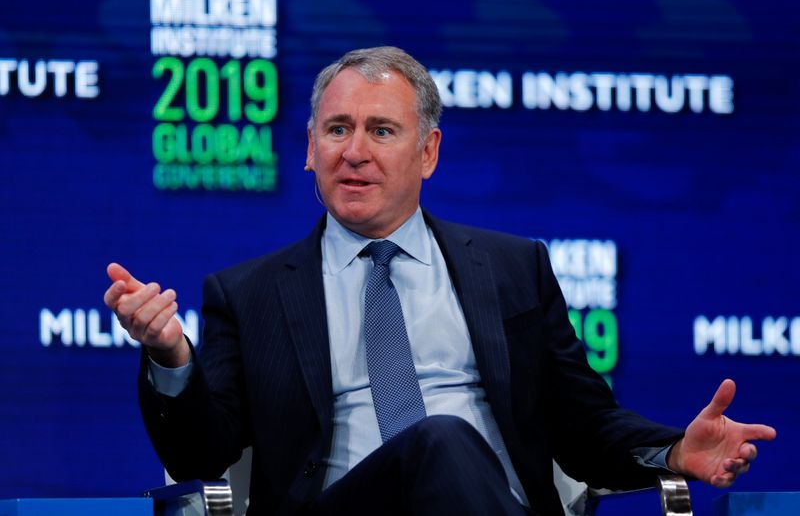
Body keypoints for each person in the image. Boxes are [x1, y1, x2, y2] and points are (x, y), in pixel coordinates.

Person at [104, 47, 776, 515]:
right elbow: (202, 450)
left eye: (382, 129)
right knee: (440, 438)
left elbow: (584, 427)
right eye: (337, 129)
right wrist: (170, 355)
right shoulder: (248, 294)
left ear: (428, 152)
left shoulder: (514, 269)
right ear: (309, 149)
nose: (355, 150)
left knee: (449, 445)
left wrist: (671, 449)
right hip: (339, 511)